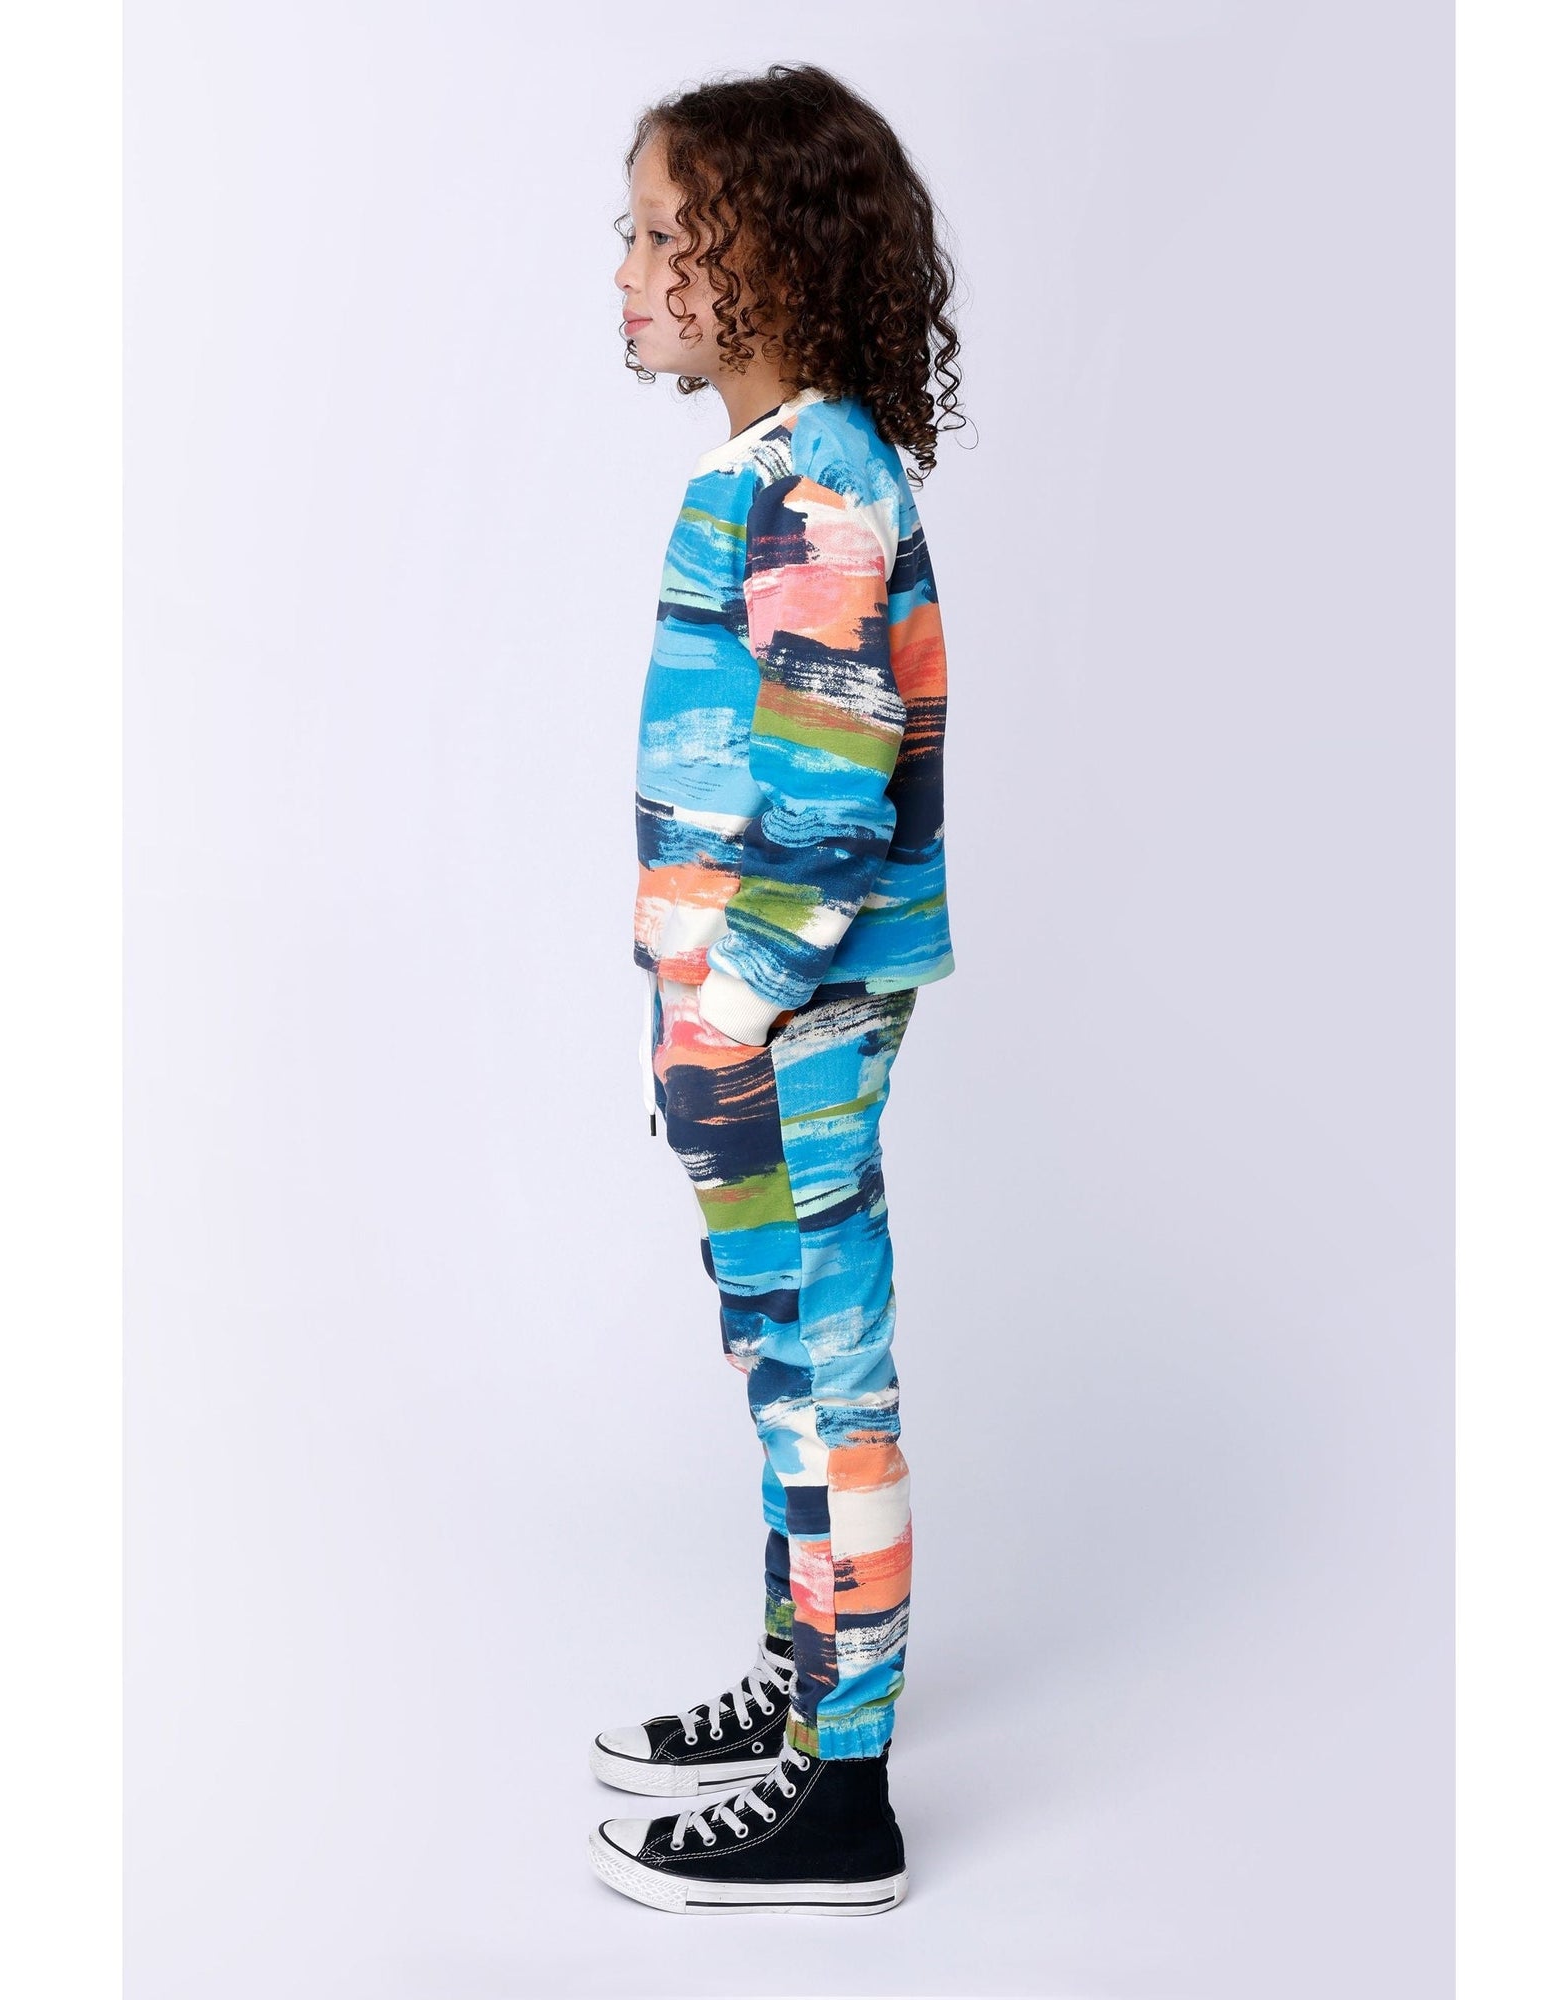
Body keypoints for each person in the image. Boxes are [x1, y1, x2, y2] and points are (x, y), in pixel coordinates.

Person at [585, 62, 962, 1917]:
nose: (629, 270)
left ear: (779, 262)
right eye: (633, 231)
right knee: (782, 1367)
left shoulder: (816, 489)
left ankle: (848, 1795)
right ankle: (804, 1690)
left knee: (829, 1377)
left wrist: (726, 1010)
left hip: (785, 1021)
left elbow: (829, 798)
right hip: (747, 1019)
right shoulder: (774, 473)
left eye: (669, 235)